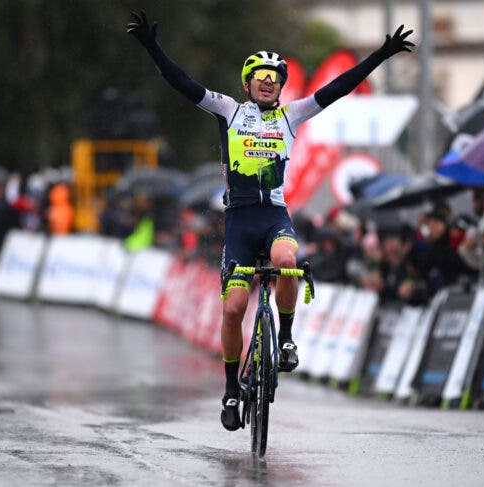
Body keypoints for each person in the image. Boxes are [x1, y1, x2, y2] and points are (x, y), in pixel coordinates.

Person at [127, 10, 414, 431]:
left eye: (275, 77)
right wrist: (154, 49)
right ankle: (230, 389)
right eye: (260, 76)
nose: (268, 81)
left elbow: (339, 87)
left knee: (286, 261)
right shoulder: (227, 111)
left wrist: (380, 56)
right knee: (233, 311)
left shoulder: (291, 115)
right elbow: (183, 83)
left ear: (281, 86)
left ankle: (286, 338)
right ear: (247, 83)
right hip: (239, 224)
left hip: (275, 216)